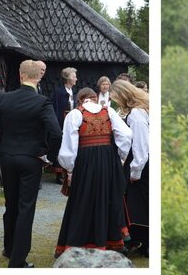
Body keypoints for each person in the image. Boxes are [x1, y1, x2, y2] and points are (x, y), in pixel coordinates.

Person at [54, 88, 132, 258]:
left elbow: (68, 148)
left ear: (80, 100)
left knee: (83, 200)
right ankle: (108, 242)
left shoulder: (75, 115)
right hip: (108, 160)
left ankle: (79, 243)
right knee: (107, 198)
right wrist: (119, 157)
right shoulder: (109, 111)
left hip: (85, 161)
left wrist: (69, 169)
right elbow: (126, 135)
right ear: (95, 99)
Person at [0, 59, 61, 268]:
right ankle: (18, 260)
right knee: (26, 208)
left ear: (21, 75)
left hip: (7, 158)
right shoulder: (42, 102)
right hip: (30, 159)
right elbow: (56, 133)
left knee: (11, 205)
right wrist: (49, 157)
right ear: (37, 76)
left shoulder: (5, 99)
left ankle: (9, 248)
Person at [111, 80, 149, 257]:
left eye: (117, 99)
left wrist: (135, 171)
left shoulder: (136, 114)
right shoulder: (141, 110)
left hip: (140, 163)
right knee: (137, 204)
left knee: (138, 205)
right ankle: (139, 241)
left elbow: (141, 144)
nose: (117, 103)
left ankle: (143, 242)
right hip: (140, 161)